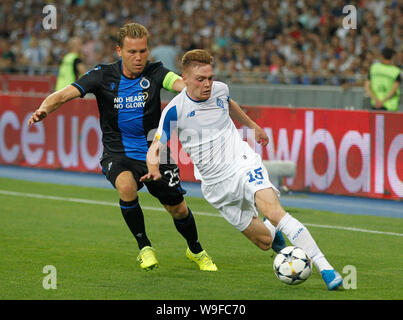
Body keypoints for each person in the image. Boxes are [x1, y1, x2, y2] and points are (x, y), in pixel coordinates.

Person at [141, 49, 343, 290]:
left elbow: (228, 103)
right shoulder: (175, 110)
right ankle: (273, 232)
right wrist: (153, 167)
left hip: (242, 162)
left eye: (210, 78)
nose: (207, 84)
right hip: (216, 186)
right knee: (265, 242)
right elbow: (157, 145)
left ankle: (325, 266)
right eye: (200, 79)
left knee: (274, 210)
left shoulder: (220, 89)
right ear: (184, 79)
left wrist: (253, 126)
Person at [27, 23, 217, 272]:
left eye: (143, 51)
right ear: (119, 50)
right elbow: (63, 94)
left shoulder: (157, 72)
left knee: (177, 208)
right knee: (126, 187)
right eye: (132, 52)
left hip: (155, 152)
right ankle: (145, 247)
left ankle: (195, 250)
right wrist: (44, 109)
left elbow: (181, 85)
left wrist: (197, 88)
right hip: (117, 152)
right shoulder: (102, 75)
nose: (138, 57)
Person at [365, 47, 401, 111]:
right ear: (393, 57)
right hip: (390, 106)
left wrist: (375, 100)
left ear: (381, 56)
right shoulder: (396, 71)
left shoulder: (373, 68)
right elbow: (394, 90)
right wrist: (383, 101)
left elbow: (367, 86)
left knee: (377, 121)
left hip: (375, 105)